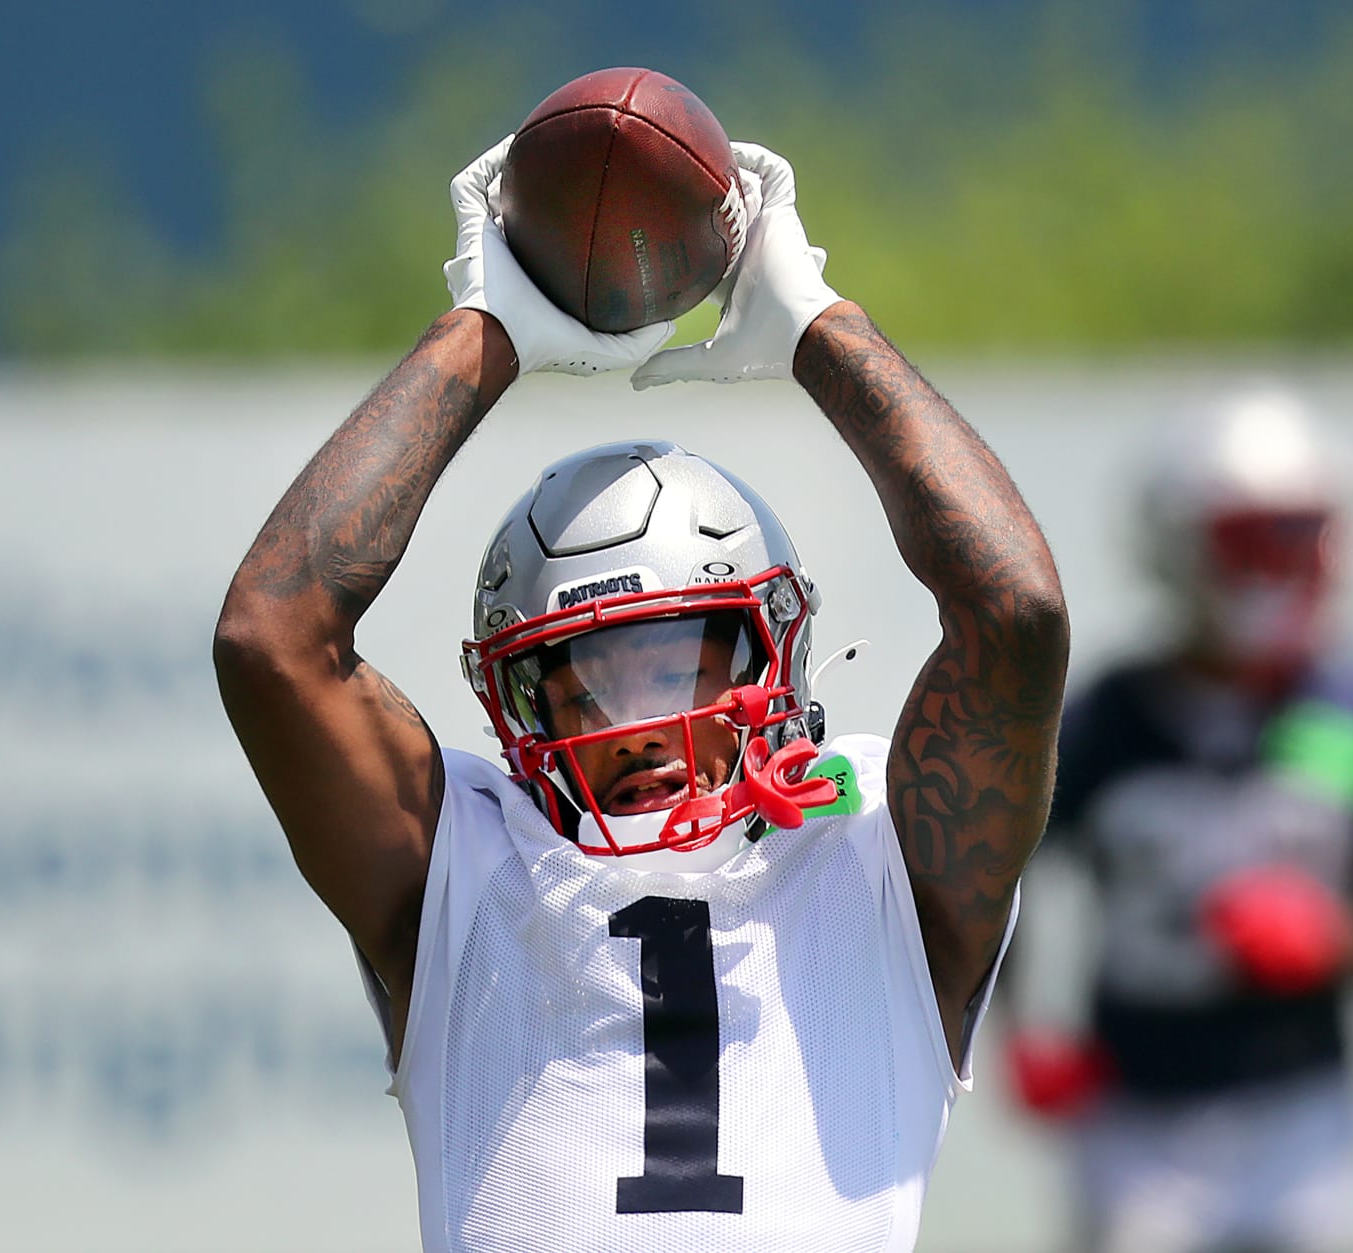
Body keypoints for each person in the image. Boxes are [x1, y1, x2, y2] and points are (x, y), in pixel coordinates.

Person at [213, 134, 1068, 1251]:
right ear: (518, 705)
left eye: (677, 664)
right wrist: (485, 332)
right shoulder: (462, 863)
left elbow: (1018, 613)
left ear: (775, 650)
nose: (639, 722)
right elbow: (271, 637)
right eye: (586, 684)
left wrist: (818, 324)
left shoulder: (872, 852)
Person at [1003, 390, 1353, 1253]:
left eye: (1299, 534)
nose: (1283, 566)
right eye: (1254, 538)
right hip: (1139, 1108)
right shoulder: (1104, 722)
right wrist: (1025, 1028)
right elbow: (1008, 874)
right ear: (1183, 542)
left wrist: (1333, 939)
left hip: (1302, 1106)